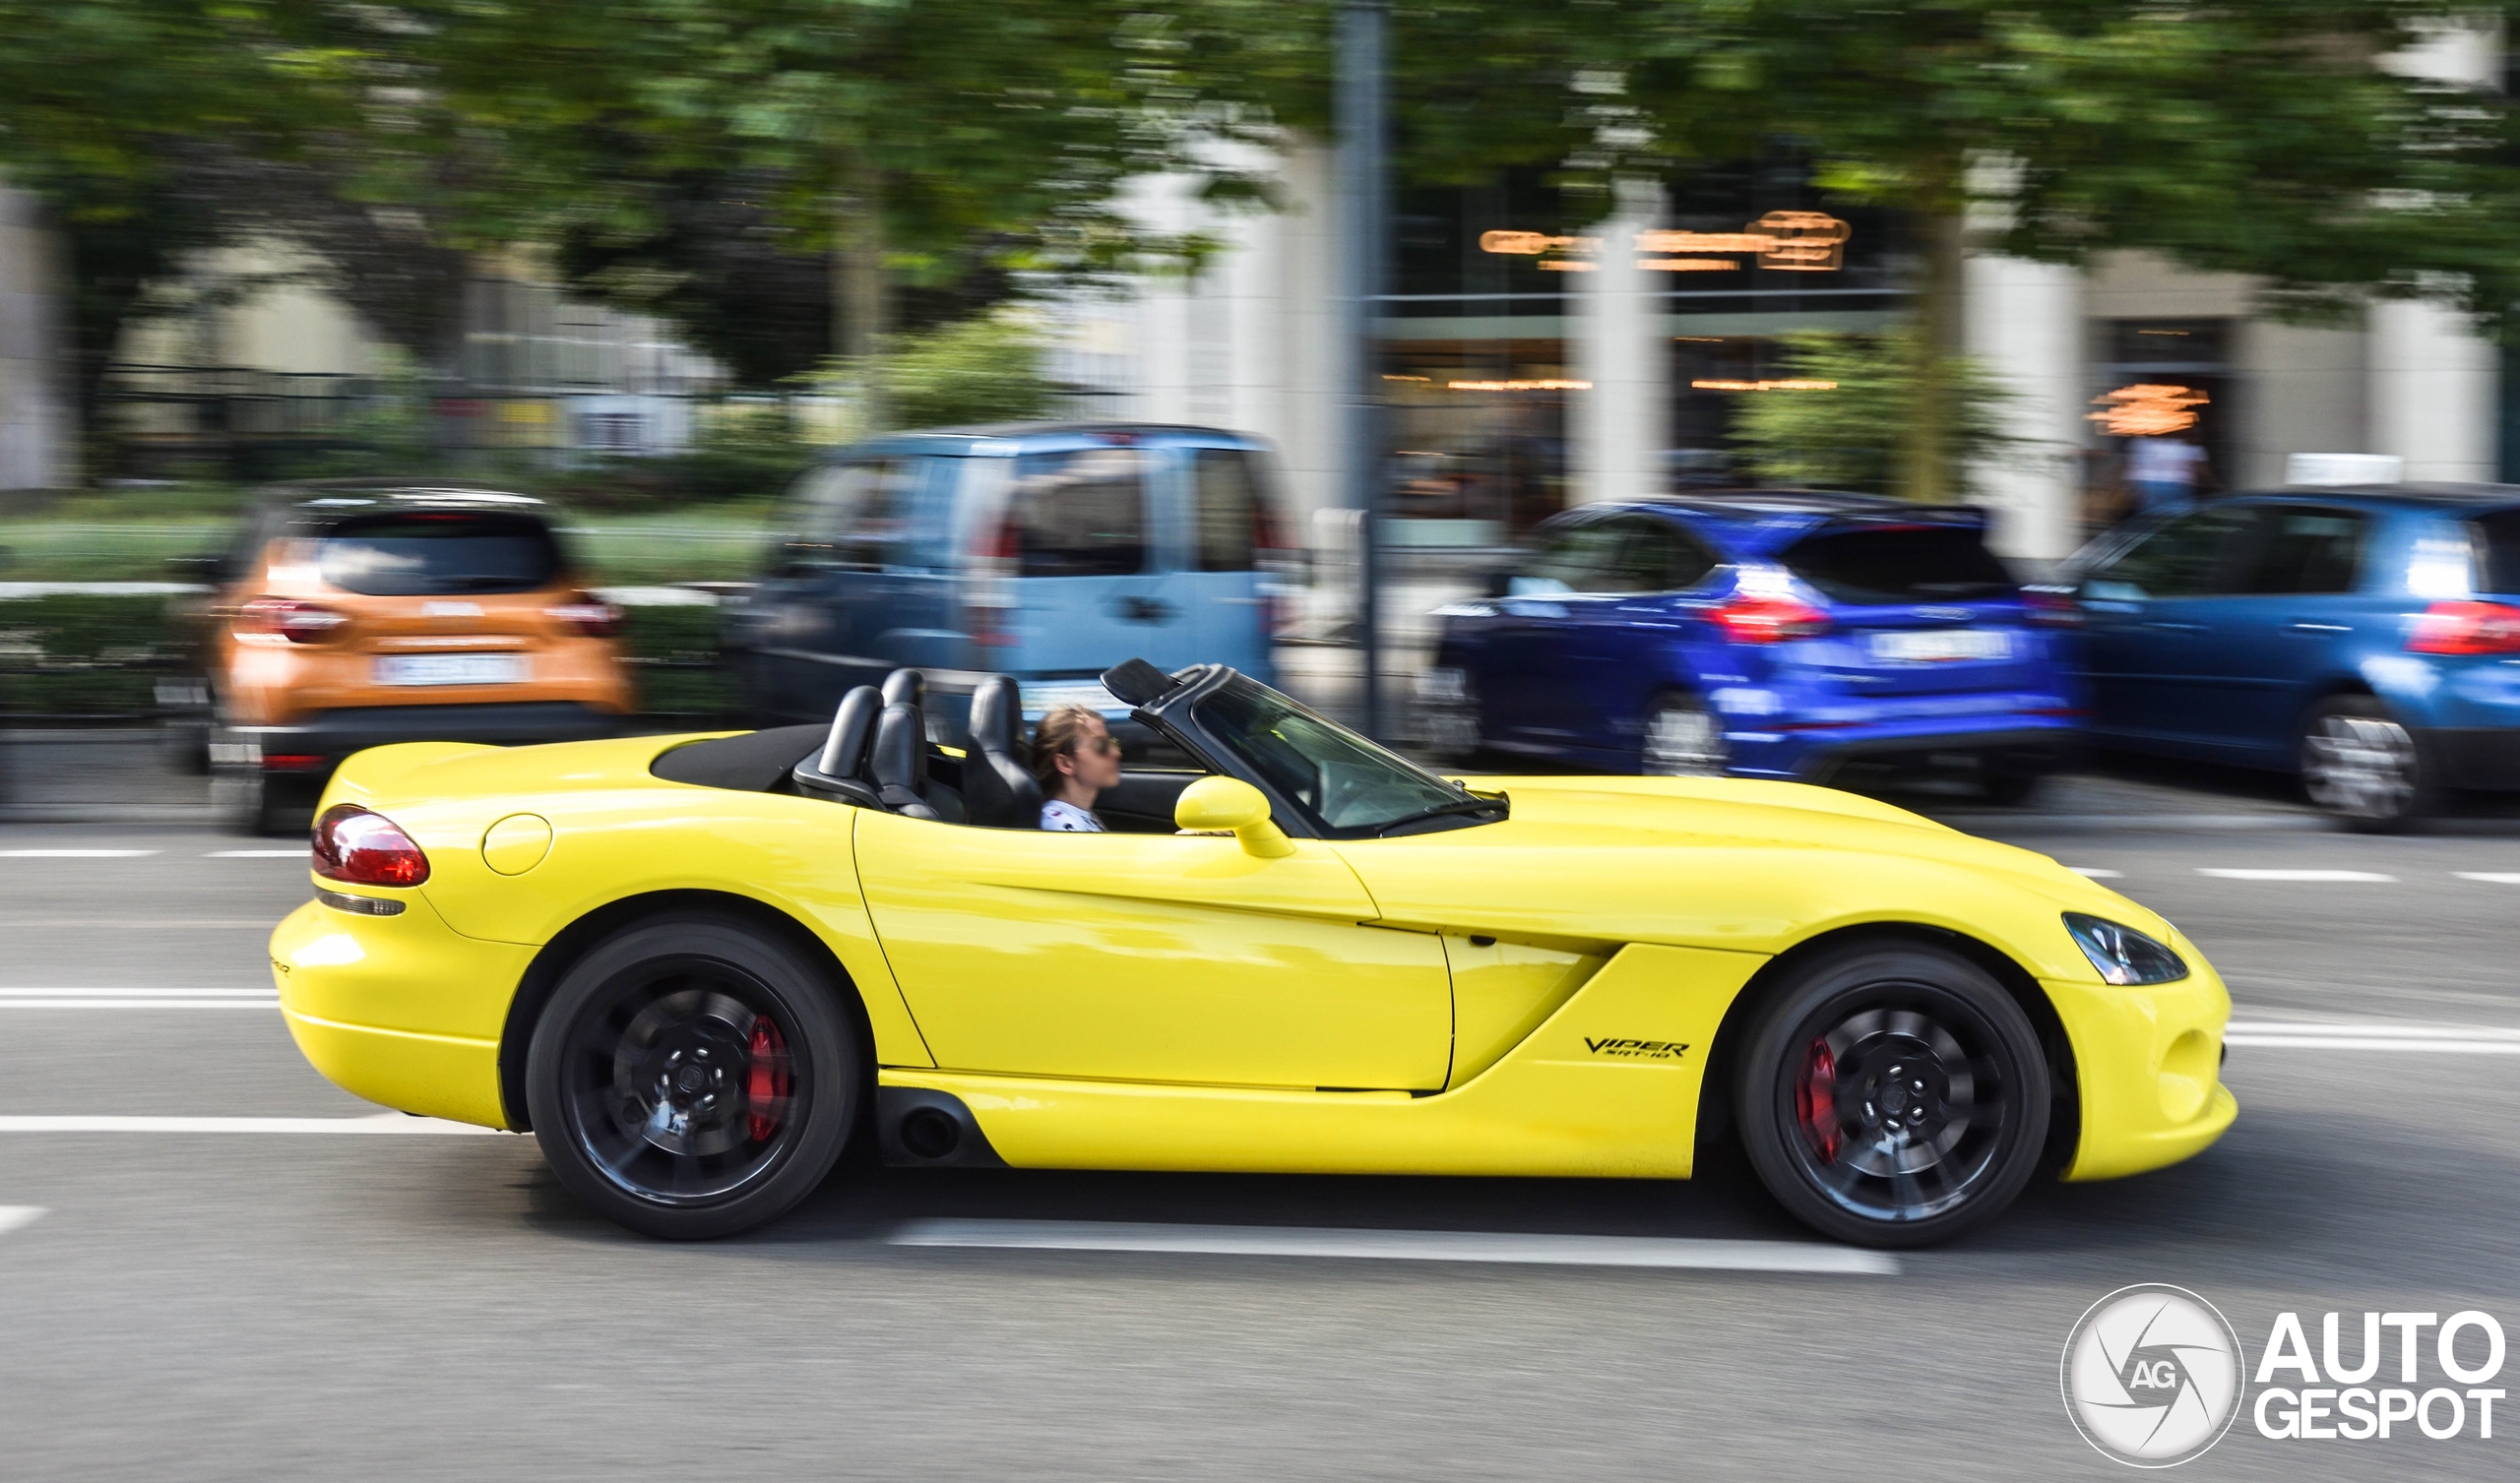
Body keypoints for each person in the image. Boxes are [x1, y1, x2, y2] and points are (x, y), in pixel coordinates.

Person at [1032, 704, 1121, 832]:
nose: (1116, 753)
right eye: (1101, 746)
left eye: (1112, 743)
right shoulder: (1061, 827)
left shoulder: (1079, 816)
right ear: (1065, 764)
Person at [2124, 433, 2208, 515]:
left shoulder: (2140, 444)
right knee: (2178, 514)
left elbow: (2132, 467)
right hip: (2177, 484)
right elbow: (2201, 471)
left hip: (2147, 484)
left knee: (2149, 515)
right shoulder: (2187, 446)